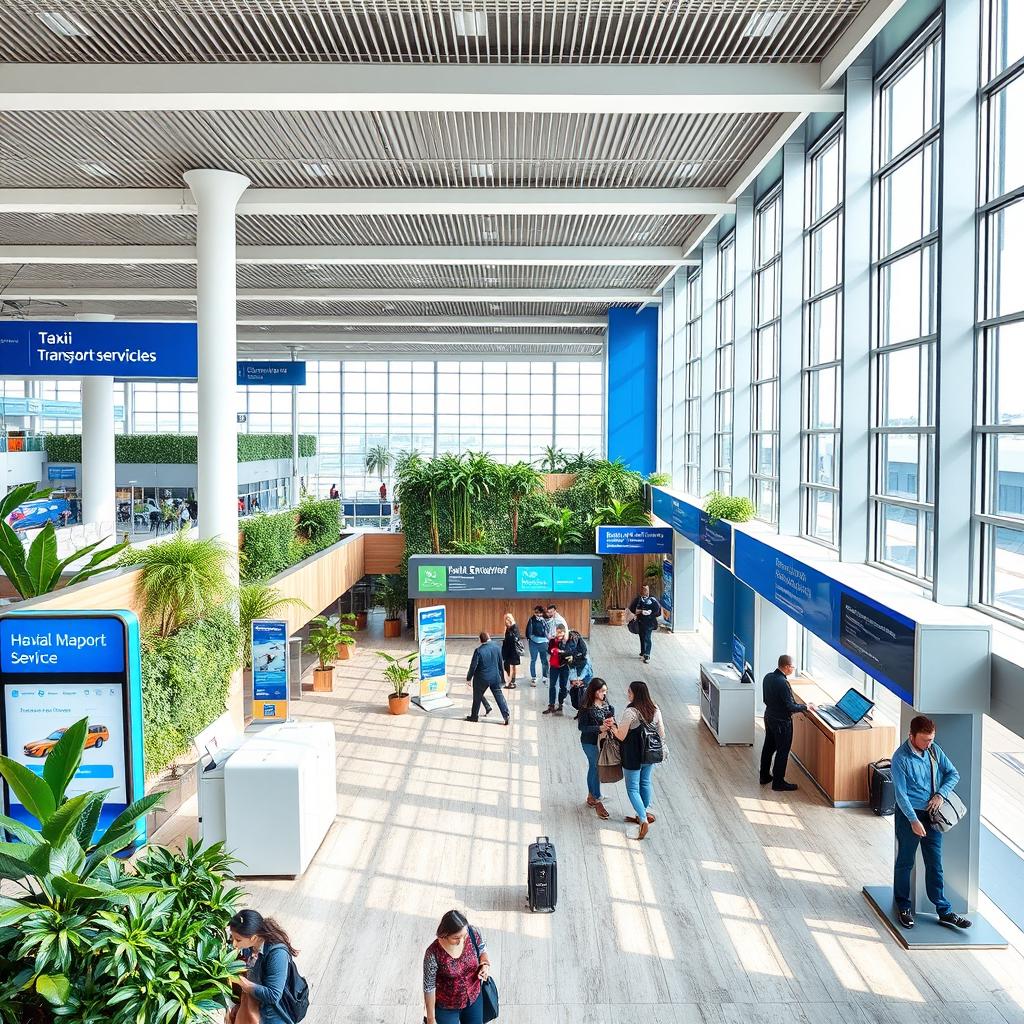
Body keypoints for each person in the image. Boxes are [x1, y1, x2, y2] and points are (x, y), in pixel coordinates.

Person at [891, 716, 972, 930]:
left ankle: (944, 911)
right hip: (910, 815)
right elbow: (901, 795)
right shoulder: (900, 758)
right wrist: (913, 820)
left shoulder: (934, 750)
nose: (929, 743)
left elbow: (953, 774)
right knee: (905, 862)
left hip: (933, 815)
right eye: (925, 740)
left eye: (931, 739)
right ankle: (903, 906)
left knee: (935, 863)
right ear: (912, 736)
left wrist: (940, 794)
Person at [226, 909, 301, 1024]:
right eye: (233, 938)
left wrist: (242, 982)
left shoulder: (277, 954)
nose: (234, 944)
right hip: (252, 1004)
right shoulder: (249, 946)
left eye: (238, 940)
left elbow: (273, 995)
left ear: (254, 938)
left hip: (272, 1013)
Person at [611, 680, 664, 840]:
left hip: (632, 755)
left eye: (629, 692)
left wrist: (613, 727)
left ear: (635, 694)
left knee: (632, 789)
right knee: (645, 783)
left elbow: (621, 735)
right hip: (650, 754)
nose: (628, 694)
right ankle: (643, 812)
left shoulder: (631, 712)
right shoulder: (655, 709)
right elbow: (662, 734)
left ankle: (642, 819)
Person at [423, 909, 492, 1024]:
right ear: (444, 934)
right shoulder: (433, 953)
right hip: (446, 1007)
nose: (461, 941)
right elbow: (429, 987)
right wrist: (431, 1019)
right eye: (456, 938)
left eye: (464, 936)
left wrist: (485, 965)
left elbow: (482, 949)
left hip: (474, 998)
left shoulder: (472, 933)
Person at [759, 654, 814, 792]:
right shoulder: (783, 683)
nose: (793, 670)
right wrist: (805, 707)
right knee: (782, 751)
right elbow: (790, 707)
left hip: (769, 716)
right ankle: (778, 783)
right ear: (787, 667)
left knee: (768, 747)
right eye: (793, 667)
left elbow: (766, 699)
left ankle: (764, 776)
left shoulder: (768, 677)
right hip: (781, 722)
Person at [577, 677, 615, 820]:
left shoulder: (605, 703)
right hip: (589, 742)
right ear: (594, 691)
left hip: (602, 741)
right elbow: (582, 727)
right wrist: (599, 727)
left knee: (595, 767)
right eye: (601, 691)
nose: (604, 694)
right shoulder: (586, 707)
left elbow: (610, 715)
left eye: (605, 691)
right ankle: (595, 796)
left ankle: (593, 795)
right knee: (595, 766)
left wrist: (610, 721)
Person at [465, 631, 509, 726]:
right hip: (495, 677)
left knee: (477, 697)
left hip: (481, 679)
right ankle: (506, 715)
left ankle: (474, 716)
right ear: (489, 638)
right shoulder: (497, 647)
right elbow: (500, 663)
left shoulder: (479, 651)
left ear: (480, 640)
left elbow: (473, 666)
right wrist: (502, 677)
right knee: (499, 696)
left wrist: (469, 678)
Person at [628, 585, 662, 663]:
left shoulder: (653, 599)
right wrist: (641, 612)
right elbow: (634, 609)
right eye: (643, 590)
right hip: (640, 621)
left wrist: (651, 613)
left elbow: (658, 610)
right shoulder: (639, 599)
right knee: (642, 637)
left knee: (647, 637)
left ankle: (647, 655)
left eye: (646, 589)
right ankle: (643, 652)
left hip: (649, 622)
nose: (645, 591)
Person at [543, 624, 571, 716]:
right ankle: (551, 705)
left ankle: (560, 703)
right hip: (554, 666)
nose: (558, 634)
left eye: (560, 632)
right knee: (552, 686)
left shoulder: (567, 641)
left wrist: (560, 651)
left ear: (564, 632)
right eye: (557, 632)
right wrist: (552, 650)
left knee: (563, 687)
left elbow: (570, 652)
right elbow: (549, 650)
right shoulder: (552, 640)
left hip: (564, 666)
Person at [525, 605, 550, 687]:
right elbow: (528, 630)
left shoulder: (546, 620)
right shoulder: (531, 620)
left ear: (542, 613)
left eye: (539, 613)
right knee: (533, 660)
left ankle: (545, 676)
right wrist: (529, 638)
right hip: (533, 642)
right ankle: (533, 677)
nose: (537, 614)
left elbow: (549, 630)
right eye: (536, 613)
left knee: (544, 660)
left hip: (544, 642)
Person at [500, 612, 522, 689]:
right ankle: (509, 680)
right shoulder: (508, 627)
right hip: (509, 650)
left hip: (513, 651)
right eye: (506, 619)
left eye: (508, 619)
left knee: (512, 666)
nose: (506, 621)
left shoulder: (514, 627)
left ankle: (511, 681)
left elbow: (513, 639)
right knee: (508, 665)